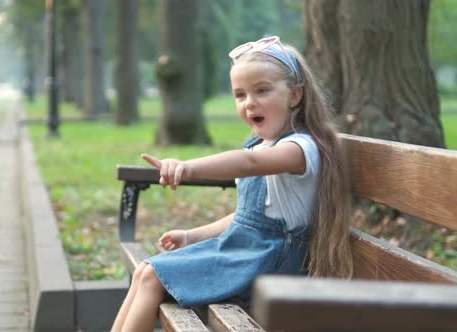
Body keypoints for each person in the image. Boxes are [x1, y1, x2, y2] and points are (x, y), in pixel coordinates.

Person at [111, 36, 353, 332]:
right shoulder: (262, 146)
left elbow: (247, 165)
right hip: (244, 252)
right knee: (145, 272)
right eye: (240, 95)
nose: (249, 102)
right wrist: (192, 235)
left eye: (262, 90)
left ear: (295, 95)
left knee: (151, 277)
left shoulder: (300, 149)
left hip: (266, 263)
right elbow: (247, 219)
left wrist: (187, 168)